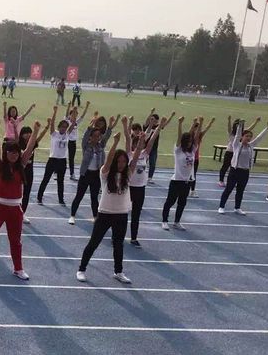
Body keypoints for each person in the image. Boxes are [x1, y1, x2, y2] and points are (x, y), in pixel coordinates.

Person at [0, 118, 41, 280]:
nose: (14, 155)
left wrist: (36, 130)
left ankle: (18, 269)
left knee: (16, 241)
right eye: (11, 152)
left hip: (15, 209)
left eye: (16, 152)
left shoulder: (21, 165)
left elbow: (29, 148)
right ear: (6, 153)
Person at [76, 131, 143, 284]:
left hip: (121, 214)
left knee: (118, 245)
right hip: (105, 213)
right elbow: (108, 160)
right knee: (94, 242)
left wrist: (140, 142)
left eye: (123, 161)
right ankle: (81, 269)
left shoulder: (128, 174)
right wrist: (115, 143)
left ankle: (118, 272)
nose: (121, 164)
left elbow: (136, 156)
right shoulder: (105, 174)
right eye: (118, 161)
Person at [127, 116, 168, 247]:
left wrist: (159, 126)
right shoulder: (129, 154)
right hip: (128, 188)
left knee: (136, 214)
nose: (140, 145)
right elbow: (127, 138)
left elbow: (152, 140)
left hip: (140, 189)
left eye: (142, 144)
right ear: (133, 145)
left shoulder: (145, 154)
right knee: (121, 213)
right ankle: (116, 236)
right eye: (137, 144)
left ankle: (133, 238)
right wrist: (127, 124)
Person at [68, 115, 117, 224]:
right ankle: (72, 216)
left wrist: (109, 126)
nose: (96, 138)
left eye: (98, 136)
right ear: (90, 137)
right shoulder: (86, 145)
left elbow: (106, 136)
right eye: (94, 136)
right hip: (85, 174)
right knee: (79, 196)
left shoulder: (101, 146)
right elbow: (85, 136)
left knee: (94, 197)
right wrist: (91, 126)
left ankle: (95, 217)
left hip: (96, 175)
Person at [218, 118, 268, 215]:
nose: (248, 138)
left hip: (245, 172)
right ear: (242, 137)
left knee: (240, 191)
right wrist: (240, 125)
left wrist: (267, 128)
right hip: (234, 171)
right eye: (246, 136)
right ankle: (221, 206)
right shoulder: (236, 145)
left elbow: (260, 138)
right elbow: (237, 135)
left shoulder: (251, 146)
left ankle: (237, 208)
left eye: (250, 136)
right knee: (228, 189)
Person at [161, 117, 201, 230]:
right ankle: (164, 221)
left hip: (186, 182)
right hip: (176, 181)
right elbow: (180, 137)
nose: (189, 143)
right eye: (187, 142)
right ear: (183, 142)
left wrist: (200, 124)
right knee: (170, 202)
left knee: (182, 203)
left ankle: (177, 222)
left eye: (190, 142)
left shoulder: (192, 151)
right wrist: (180, 124)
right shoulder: (178, 150)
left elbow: (196, 137)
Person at [36, 106, 71, 206]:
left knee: (60, 181)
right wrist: (55, 112)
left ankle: (61, 199)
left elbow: (72, 124)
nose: (64, 128)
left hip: (62, 160)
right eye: (62, 126)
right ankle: (39, 197)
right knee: (46, 179)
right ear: (59, 127)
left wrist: (73, 114)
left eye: (65, 127)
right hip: (53, 159)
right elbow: (52, 123)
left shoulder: (67, 135)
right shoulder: (54, 134)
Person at [18, 118, 49, 224]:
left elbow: (39, 137)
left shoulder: (33, 144)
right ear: (21, 135)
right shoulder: (18, 145)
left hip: (29, 171)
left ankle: (22, 213)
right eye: (25, 133)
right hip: (19, 171)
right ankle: (13, 210)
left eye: (29, 133)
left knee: (26, 193)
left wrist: (46, 127)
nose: (28, 135)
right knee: (16, 192)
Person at [219, 116, 260, 187]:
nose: (238, 126)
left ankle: (233, 181)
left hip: (238, 153)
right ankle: (221, 180)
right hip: (230, 151)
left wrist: (256, 121)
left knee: (234, 168)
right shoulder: (231, 133)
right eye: (237, 124)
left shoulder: (243, 133)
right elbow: (229, 128)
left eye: (240, 124)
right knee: (225, 166)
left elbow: (250, 128)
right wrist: (229, 120)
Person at [188, 117, 215, 197]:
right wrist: (194, 122)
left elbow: (206, 129)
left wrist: (211, 122)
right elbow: (190, 131)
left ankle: (192, 191)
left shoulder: (200, 135)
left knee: (193, 175)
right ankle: (184, 189)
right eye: (195, 128)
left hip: (196, 159)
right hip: (188, 158)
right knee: (187, 174)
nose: (197, 130)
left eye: (198, 129)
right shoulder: (189, 136)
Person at [67, 102, 91, 181]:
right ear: (70, 115)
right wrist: (71, 107)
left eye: (76, 114)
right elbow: (67, 114)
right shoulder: (67, 121)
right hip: (67, 141)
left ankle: (72, 174)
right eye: (74, 114)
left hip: (73, 143)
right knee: (61, 157)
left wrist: (87, 106)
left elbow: (83, 115)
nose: (75, 116)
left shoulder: (76, 123)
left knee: (71, 158)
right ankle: (56, 172)